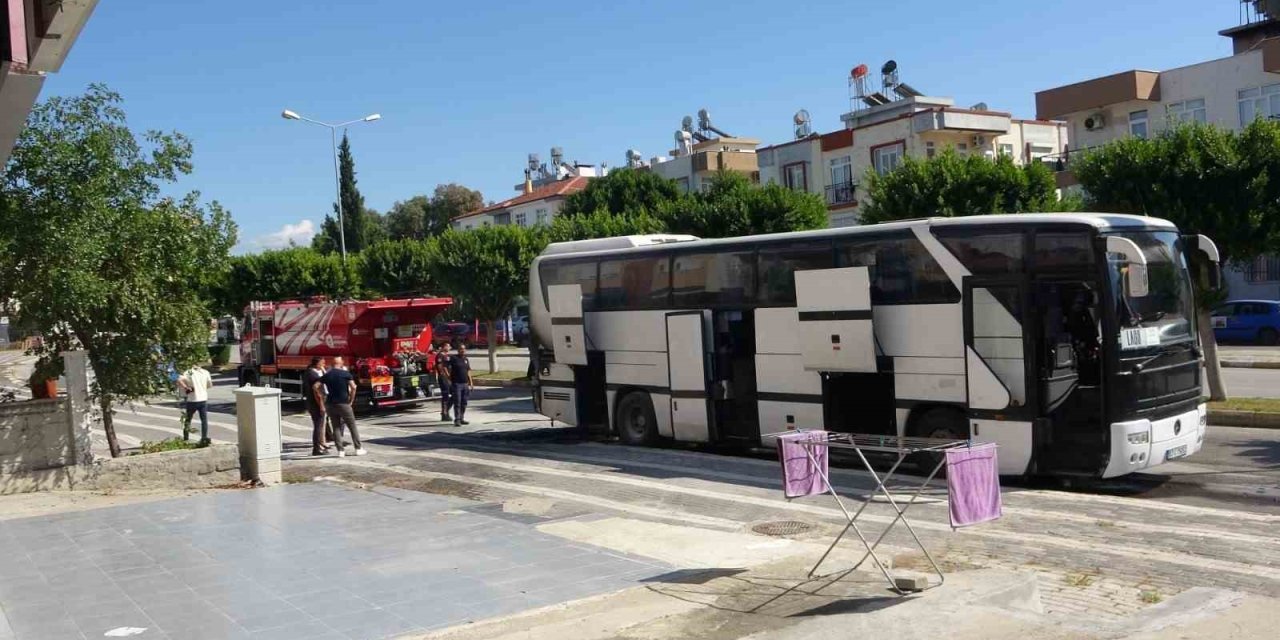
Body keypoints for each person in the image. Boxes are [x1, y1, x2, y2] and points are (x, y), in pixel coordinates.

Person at [321, 356, 365, 457]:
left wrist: (322, 394)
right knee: (352, 426)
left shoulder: (327, 375)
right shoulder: (345, 374)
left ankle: (340, 451)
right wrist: (351, 399)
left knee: (336, 427)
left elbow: (316, 386)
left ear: (332, 364)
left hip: (331, 404)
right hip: (343, 403)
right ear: (341, 363)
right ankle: (358, 448)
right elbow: (353, 387)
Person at [176, 363, 214, 446]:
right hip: (203, 399)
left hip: (192, 400)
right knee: (204, 420)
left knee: (188, 420)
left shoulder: (188, 372)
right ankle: (204, 438)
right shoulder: (205, 372)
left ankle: (186, 438)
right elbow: (210, 385)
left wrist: (186, 387)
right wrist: (201, 388)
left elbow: (178, 380)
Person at [304, 357, 329, 456]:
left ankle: (320, 446)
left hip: (312, 402)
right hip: (316, 403)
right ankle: (317, 449)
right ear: (317, 363)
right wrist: (321, 405)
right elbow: (317, 392)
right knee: (318, 426)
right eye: (322, 363)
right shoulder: (313, 375)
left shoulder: (309, 372)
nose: (324, 365)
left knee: (319, 425)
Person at [450, 344, 474, 426]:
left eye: (464, 349)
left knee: (464, 402)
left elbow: (468, 371)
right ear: (458, 350)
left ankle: (462, 418)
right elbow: (445, 367)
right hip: (457, 384)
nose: (462, 350)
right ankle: (457, 419)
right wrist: (449, 378)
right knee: (457, 402)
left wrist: (471, 382)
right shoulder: (454, 358)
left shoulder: (466, 359)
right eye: (461, 349)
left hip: (465, 384)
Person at [435, 342, 454, 422]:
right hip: (444, 378)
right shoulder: (440, 355)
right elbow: (440, 367)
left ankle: (445, 411)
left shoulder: (447, 356)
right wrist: (445, 377)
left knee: (455, 393)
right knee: (445, 395)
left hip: (449, 378)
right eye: (448, 346)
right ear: (443, 347)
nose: (449, 347)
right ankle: (444, 413)